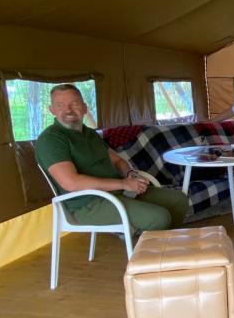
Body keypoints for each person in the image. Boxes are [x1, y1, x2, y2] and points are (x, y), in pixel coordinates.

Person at [36, 84, 188, 236]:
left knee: (179, 200)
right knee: (158, 218)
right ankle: (149, 247)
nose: (68, 110)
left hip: (117, 192)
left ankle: (166, 244)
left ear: (84, 107)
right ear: (52, 110)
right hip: (87, 204)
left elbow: (118, 161)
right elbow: (71, 183)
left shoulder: (90, 134)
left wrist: (130, 175)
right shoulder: (51, 139)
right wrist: (123, 184)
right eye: (60, 105)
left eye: (74, 104)